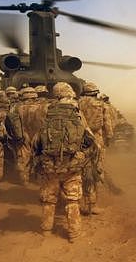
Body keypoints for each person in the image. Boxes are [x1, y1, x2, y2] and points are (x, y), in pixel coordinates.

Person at [36, 82, 93, 242]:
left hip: (50, 165)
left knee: (49, 199)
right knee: (72, 200)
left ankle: (46, 231)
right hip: (71, 165)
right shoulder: (76, 112)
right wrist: (81, 153)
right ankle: (74, 233)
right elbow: (89, 138)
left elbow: (38, 140)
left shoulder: (47, 111)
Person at [77, 81, 111, 215]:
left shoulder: (78, 103)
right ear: (96, 92)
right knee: (96, 171)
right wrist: (108, 139)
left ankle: (79, 201)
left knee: (81, 171)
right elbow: (107, 125)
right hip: (97, 139)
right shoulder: (101, 104)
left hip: (81, 140)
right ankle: (92, 205)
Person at [6, 86, 48, 186]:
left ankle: (24, 180)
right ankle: (39, 179)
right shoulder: (43, 107)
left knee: (23, 158)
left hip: (23, 135)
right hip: (39, 136)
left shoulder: (16, 108)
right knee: (40, 156)